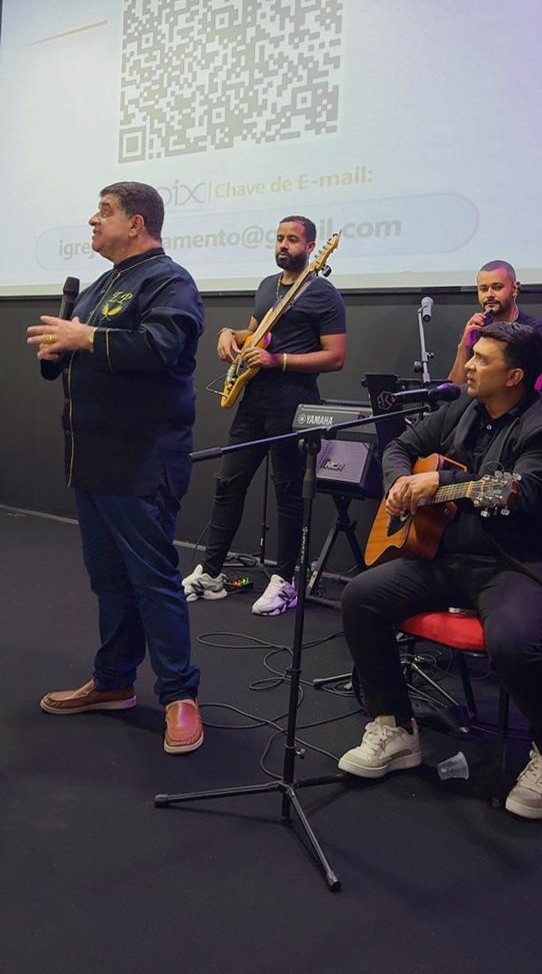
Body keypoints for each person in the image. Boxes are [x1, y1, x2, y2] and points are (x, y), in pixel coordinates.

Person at [340, 322, 542, 819]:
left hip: (516, 567)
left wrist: (441, 482)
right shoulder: (461, 409)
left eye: (481, 359)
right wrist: (401, 484)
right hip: (448, 560)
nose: (467, 366)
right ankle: (396, 727)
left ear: (514, 376)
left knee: (513, 643)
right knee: (361, 597)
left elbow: (518, 491)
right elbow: (399, 446)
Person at [27, 181, 205, 754]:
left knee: (153, 580)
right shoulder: (99, 286)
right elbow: (78, 355)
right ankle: (113, 682)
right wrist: (57, 351)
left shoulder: (169, 281)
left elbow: (162, 348)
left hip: (141, 460)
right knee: (108, 580)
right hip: (91, 460)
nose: (92, 220)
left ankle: (180, 695)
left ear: (137, 223)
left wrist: (86, 337)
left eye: (104, 211)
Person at [183, 215, 346, 615]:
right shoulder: (267, 286)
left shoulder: (323, 293)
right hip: (253, 402)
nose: (283, 245)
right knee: (228, 483)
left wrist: (279, 360)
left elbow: (335, 357)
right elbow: (255, 333)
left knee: (288, 492)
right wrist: (228, 334)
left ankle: (285, 582)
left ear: (311, 248)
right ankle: (211, 573)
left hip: (294, 404)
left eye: (292, 239)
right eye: (279, 238)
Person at [446, 260, 542, 388]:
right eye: (483, 289)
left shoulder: (536, 330)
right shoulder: (477, 330)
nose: (489, 295)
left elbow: (535, 387)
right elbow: (452, 392)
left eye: (497, 287)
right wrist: (464, 347)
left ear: (515, 289)